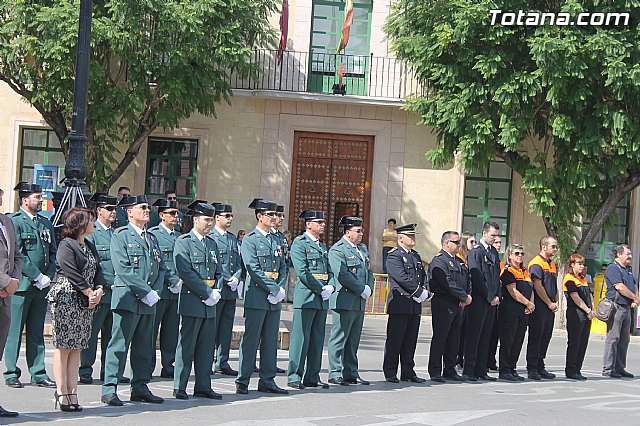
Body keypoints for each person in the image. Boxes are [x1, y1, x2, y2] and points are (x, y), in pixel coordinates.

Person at [101, 195, 167, 406]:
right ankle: (109, 388)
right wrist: (145, 291)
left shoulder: (152, 238)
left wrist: (154, 291)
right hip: (128, 299)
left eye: (148, 208)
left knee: (144, 347)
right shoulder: (120, 236)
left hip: (147, 302)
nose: (148, 211)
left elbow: (161, 268)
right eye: (143, 208)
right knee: (119, 345)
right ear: (130, 212)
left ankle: (140, 387)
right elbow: (123, 269)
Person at [47, 208, 105, 411]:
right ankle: (62, 392)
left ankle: (73, 391)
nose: (93, 223)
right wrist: (88, 291)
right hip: (67, 297)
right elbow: (69, 269)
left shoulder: (89, 245)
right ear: (79, 224)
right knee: (63, 347)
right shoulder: (66, 244)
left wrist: (98, 289)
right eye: (90, 220)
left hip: (85, 300)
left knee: (77, 347)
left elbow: (98, 270)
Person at [4, 182, 57, 389]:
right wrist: (35, 275)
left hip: (41, 286)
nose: (40, 200)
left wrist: (48, 275)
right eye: (37, 197)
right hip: (22, 285)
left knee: (36, 332)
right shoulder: (14, 222)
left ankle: (38, 372)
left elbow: (52, 252)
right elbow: (17, 254)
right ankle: (11, 372)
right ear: (25, 200)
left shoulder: (45, 223)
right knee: (15, 331)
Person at [236, 199, 288, 395]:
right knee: (252, 339)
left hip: (273, 298)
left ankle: (267, 379)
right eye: (270, 214)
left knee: (270, 339)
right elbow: (253, 268)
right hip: (258, 295)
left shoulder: (276, 239)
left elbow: (283, 265)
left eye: (275, 214)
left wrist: (280, 288)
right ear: (259, 216)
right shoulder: (250, 240)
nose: (274, 218)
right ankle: (243, 380)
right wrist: (273, 289)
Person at [173, 201, 224, 400]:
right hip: (193, 300)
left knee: (206, 346)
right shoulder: (184, 241)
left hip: (210, 303)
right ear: (195, 219)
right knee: (187, 346)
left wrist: (217, 289)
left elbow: (219, 269)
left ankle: (203, 385)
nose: (209, 223)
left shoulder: (212, 243)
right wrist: (206, 292)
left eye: (211, 220)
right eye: (206, 219)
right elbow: (185, 272)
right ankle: (180, 385)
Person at [80, 193, 131, 385]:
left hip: (116, 292)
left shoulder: (117, 233)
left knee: (113, 335)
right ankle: (85, 369)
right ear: (99, 210)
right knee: (92, 334)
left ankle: (109, 371)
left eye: (115, 209)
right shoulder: (92, 233)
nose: (113, 212)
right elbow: (92, 265)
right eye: (109, 209)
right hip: (99, 290)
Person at [287, 210, 334, 389]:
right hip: (307, 296)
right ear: (308, 224)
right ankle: (294, 376)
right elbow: (303, 271)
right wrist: (320, 288)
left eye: (323, 222)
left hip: (322, 298)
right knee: (301, 338)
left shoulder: (322, 245)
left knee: (317, 338)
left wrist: (331, 285)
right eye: (319, 222)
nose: (322, 225)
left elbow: (329, 269)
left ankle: (312, 376)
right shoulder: (300, 243)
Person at [327, 216, 374, 386]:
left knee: (354, 339)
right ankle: (334, 371)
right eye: (358, 231)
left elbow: (368, 271)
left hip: (358, 301)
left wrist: (369, 286)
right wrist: (361, 288)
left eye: (362, 230)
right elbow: (342, 274)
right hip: (345, 299)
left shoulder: (362, 249)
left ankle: (351, 372)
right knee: (339, 337)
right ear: (348, 232)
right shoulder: (338, 249)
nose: (361, 234)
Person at [383, 224, 429, 383]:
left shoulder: (415, 255)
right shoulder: (394, 255)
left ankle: (408, 371)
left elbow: (422, 275)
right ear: (400, 238)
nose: (413, 238)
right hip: (401, 303)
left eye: (414, 235)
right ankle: (390, 372)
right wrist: (418, 292)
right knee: (395, 340)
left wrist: (424, 290)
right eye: (410, 236)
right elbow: (401, 277)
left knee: (410, 341)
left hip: (414, 304)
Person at [427, 231, 471, 383]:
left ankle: (450, 369)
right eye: (456, 242)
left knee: (454, 338)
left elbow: (466, 280)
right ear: (446, 243)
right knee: (441, 337)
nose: (459, 245)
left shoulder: (458, 261)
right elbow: (446, 282)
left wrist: (465, 296)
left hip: (458, 304)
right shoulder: (439, 261)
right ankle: (435, 370)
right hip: (444, 303)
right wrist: (464, 296)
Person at [147, 198, 182, 378]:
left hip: (176, 292)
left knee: (171, 331)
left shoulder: (180, 236)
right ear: (162, 216)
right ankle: (148, 366)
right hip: (161, 289)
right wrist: (173, 280)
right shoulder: (154, 234)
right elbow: (158, 261)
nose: (175, 216)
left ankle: (168, 365)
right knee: (151, 330)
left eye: (176, 213)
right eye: (171, 213)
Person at [463, 220, 501, 381]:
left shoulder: (493, 252)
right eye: (493, 235)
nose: (495, 238)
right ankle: (469, 370)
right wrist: (489, 296)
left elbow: (496, 276)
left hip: (492, 301)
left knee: (486, 336)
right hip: (480, 299)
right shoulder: (476, 252)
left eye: (497, 235)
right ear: (484, 233)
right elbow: (477, 277)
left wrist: (497, 296)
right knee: (474, 335)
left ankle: (481, 369)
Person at [210, 203, 242, 376]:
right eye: (226, 216)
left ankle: (222, 361)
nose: (230, 219)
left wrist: (237, 275)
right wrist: (227, 277)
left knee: (226, 328)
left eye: (231, 216)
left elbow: (238, 261)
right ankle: (208, 360)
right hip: (218, 288)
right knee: (212, 328)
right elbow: (214, 263)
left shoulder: (232, 238)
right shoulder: (212, 237)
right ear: (217, 218)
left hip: (231, 290)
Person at [0, 186, 22, 418]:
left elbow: (17, 255)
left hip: (5, 296)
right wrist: (5, 281)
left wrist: (13, 280)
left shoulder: (6, 222)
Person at [602, 244, 639, 379]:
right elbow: (619, 287)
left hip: (627, 308)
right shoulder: (613, 268)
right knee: (613, 338)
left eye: (630, 254)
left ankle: (620, 367)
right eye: (627, 254)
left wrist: (635, 300)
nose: (630, 256)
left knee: (624, 339)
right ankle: (608, 369)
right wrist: (635, 297)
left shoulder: (628, 270)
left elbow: (634, 284)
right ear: (619, 254)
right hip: (616, 307)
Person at [498, 244, 534, 382]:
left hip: (524, 309)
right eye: (517, 253)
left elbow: (531, 289)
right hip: (510, 308)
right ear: (510, 255)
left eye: (522, 253)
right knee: (508, 340)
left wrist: (531, 304)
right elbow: (513, 291)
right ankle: (504, 369)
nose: (520, 256)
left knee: (518, 340)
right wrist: (527, 303)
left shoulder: (525, 271)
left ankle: (512, 367)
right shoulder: (508, 271)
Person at [526, 236, 559, 380]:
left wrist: (556, 300)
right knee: (536, 336)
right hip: (540, 305)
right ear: (544, 247)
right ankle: (532, 367)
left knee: (546, 336)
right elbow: (537, 286)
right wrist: (548, 302)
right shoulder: (536, 263)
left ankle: (540, 365)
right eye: (553, 246)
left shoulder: (552, 264)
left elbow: (554, 284)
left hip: (550, 305)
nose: (555, 249)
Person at [563, 253, 594, 380]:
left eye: (583, 264)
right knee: (575, 342)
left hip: (586, 314)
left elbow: (589, 295)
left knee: (583, 342)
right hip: (576, 313)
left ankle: (577, 369)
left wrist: (592, 308)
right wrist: (587, 310)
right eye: (579, 264)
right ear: (572, 265)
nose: (582, 266)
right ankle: (570, 370)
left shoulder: (583, 279)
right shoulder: (569, 279)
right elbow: (575, 297)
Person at [456, 232, 475, 368]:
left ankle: (461, 358)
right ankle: (456, 359)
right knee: (458, 331)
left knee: (466, 331)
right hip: (460, 300)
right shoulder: (457, 259)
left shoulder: (470, 258)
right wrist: (463, 296)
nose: (474, 245)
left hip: (469, 300)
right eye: (471, 242)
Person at [487, 235, 503, 371]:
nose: (498, 245)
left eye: (500, 243)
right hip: (488, 300)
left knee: (494, 335)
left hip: (497, 302)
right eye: (496, 242)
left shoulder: (498, 260)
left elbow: (497, 280)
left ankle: (491, 360)